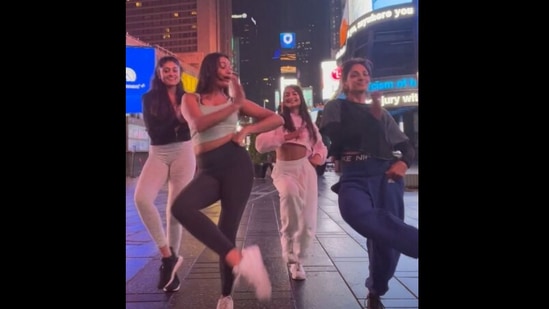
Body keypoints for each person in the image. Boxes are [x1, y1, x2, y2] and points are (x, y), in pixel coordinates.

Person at [170, 52, 284, 309]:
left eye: (229, 66)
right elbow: (198, 124)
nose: (227, 69)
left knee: (227, 230)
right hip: (208, 170)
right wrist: (235, 106)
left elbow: (277, 118)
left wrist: (247, 129)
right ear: (210, 69)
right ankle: (241, 259)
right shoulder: (191, 98)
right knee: (181, 207)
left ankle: (225, 296)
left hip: (236, 166)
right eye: (222, 65)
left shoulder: (235, 100)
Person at [319, 57, 419, 309]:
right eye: (355, 74)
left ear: (369, 80)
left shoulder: (381, 113)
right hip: (354, 175)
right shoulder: (335, 107)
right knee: (355, 212)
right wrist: (370, 120)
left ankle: (376, 288)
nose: (361, 77)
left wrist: (404, 163)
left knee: (385, 241)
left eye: (364, 74)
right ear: (345, 81)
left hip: (385, 176)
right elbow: (338, 139)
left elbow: (406, 146)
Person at [133, 56, 196, 292]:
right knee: (141, 198)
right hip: (158, 152)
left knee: (175, 209)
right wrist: (179, 120)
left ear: (179, 73)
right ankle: (167, 255)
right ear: (159, 74)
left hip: (184, 152)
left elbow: (196, 125)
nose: (171, 73)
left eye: (174, 70)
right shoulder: (149, 98)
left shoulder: (189, 98)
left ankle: (171, 268)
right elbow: (154, 132)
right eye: (166, 70)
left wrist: (184, 121)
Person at [255, 85, 327, 281]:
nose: (291, 96)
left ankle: (298, 262)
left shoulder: (310, 124)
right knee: (290, 195)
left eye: (294, 93)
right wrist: (287, 136)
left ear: (301, 98)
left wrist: (318, 157)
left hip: (305, 169)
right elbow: (260, 144)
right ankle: (288, 252)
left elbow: (320, 146)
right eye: (287, 94)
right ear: (282, 101)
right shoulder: (277, 121)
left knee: (308, 218)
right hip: (284, 170)